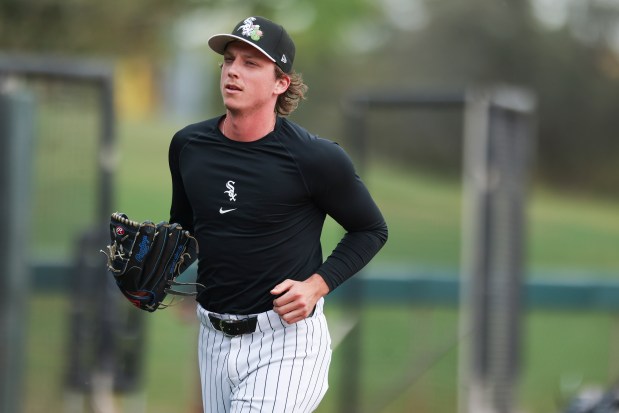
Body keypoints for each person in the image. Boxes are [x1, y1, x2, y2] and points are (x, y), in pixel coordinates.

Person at [168, 16, 388, 413]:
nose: (234, 70)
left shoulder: (315, 158)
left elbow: (370, 229)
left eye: (252, 63)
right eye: (230, 59)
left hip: (284, 341)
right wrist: (158, 273)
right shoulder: (188, 146)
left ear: (280, 83)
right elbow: (187, 231)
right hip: (212, 339)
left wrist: (317, 285)